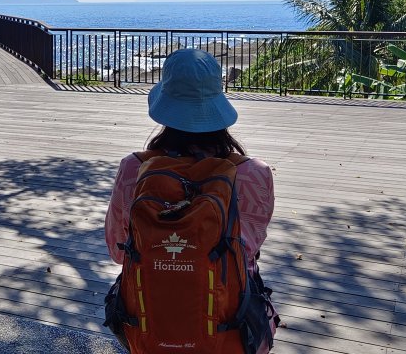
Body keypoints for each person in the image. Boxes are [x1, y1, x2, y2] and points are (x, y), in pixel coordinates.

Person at [103, 48, 277, 353]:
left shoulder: (134, 169)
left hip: (148, 322)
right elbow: (247, 251)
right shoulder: (253, 174)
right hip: (230, 324)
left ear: (165, 104)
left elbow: (118, 251)